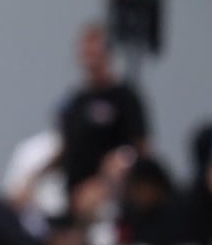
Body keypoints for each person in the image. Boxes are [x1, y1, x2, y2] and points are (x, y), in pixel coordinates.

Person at [56, 22, 151, 208]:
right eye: (86, 48)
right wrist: (33, 176)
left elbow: (141, 147)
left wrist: (106, 180)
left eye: (95, 47)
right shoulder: (76, 100)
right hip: (73, 194)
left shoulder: (124, 97)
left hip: (109, 195)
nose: (90, 54)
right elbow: (66, 147)